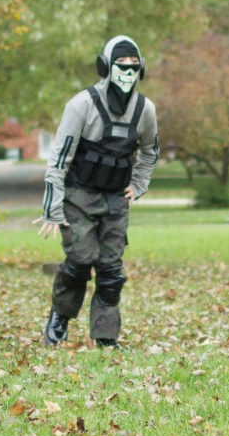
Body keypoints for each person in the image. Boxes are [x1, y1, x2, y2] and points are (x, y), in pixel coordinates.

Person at [37, 35, 159, 349]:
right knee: (80, 261)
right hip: (78, 196)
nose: (128, 71)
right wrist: (52, 208)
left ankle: (106, 336)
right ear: (105, 66)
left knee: (111, 269)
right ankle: (59, 320)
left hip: (116, 199)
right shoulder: (81, 105)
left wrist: (139, 184)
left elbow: (150, 152)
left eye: (134, 65)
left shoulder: (145, 110)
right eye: (121, 64)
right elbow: (59, 158)